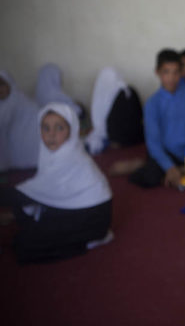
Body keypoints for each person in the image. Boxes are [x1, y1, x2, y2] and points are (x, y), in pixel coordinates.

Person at [0, 102, 113, 264]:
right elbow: (38, 192)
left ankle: (82, 244)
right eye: (46, 128)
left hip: (93, 219)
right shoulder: (54, 153)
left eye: (59, 128)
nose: (51, 134)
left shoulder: (69, 157)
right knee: (27, 217)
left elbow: (27, 193)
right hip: (76, 208)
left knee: (24, 245)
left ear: (72, 131)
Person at [128, 49, 185, 189]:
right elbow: (153, 142)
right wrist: (170, 167)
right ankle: (149, 165)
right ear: (157, 72)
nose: (171, 78)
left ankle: (181, 170)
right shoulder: (152, 104)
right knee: (150, 177)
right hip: (167, 152)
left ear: (181, 73)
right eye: (166, 72)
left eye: (176, 72)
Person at [85, 67, 144, 155]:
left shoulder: (108, 95)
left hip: (117, 140)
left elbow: (105, 122)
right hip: (139, 137)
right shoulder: (130, 90)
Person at [0, 70, 40, 171]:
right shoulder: (3, 103)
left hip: (26, 149)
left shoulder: (19, 101)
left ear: (10, 84)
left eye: (2, 84)